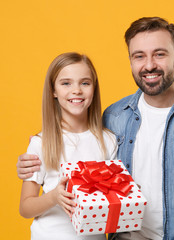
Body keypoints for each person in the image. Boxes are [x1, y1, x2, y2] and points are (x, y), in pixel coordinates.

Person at [17, 17, 174, 240]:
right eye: (139, 56)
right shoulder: (114, 117)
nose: (149, 65)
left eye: (159, 54)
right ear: (130, 61)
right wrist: (32, 158)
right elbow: (75, 146)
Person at [19, 52, 117, 240]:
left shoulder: (108, 140)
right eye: (66, 83)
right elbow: (25, 208)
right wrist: (54, 197)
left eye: (85, 83)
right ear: (53, 91)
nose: (77, 90)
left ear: (94, 89)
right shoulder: (41, 143)